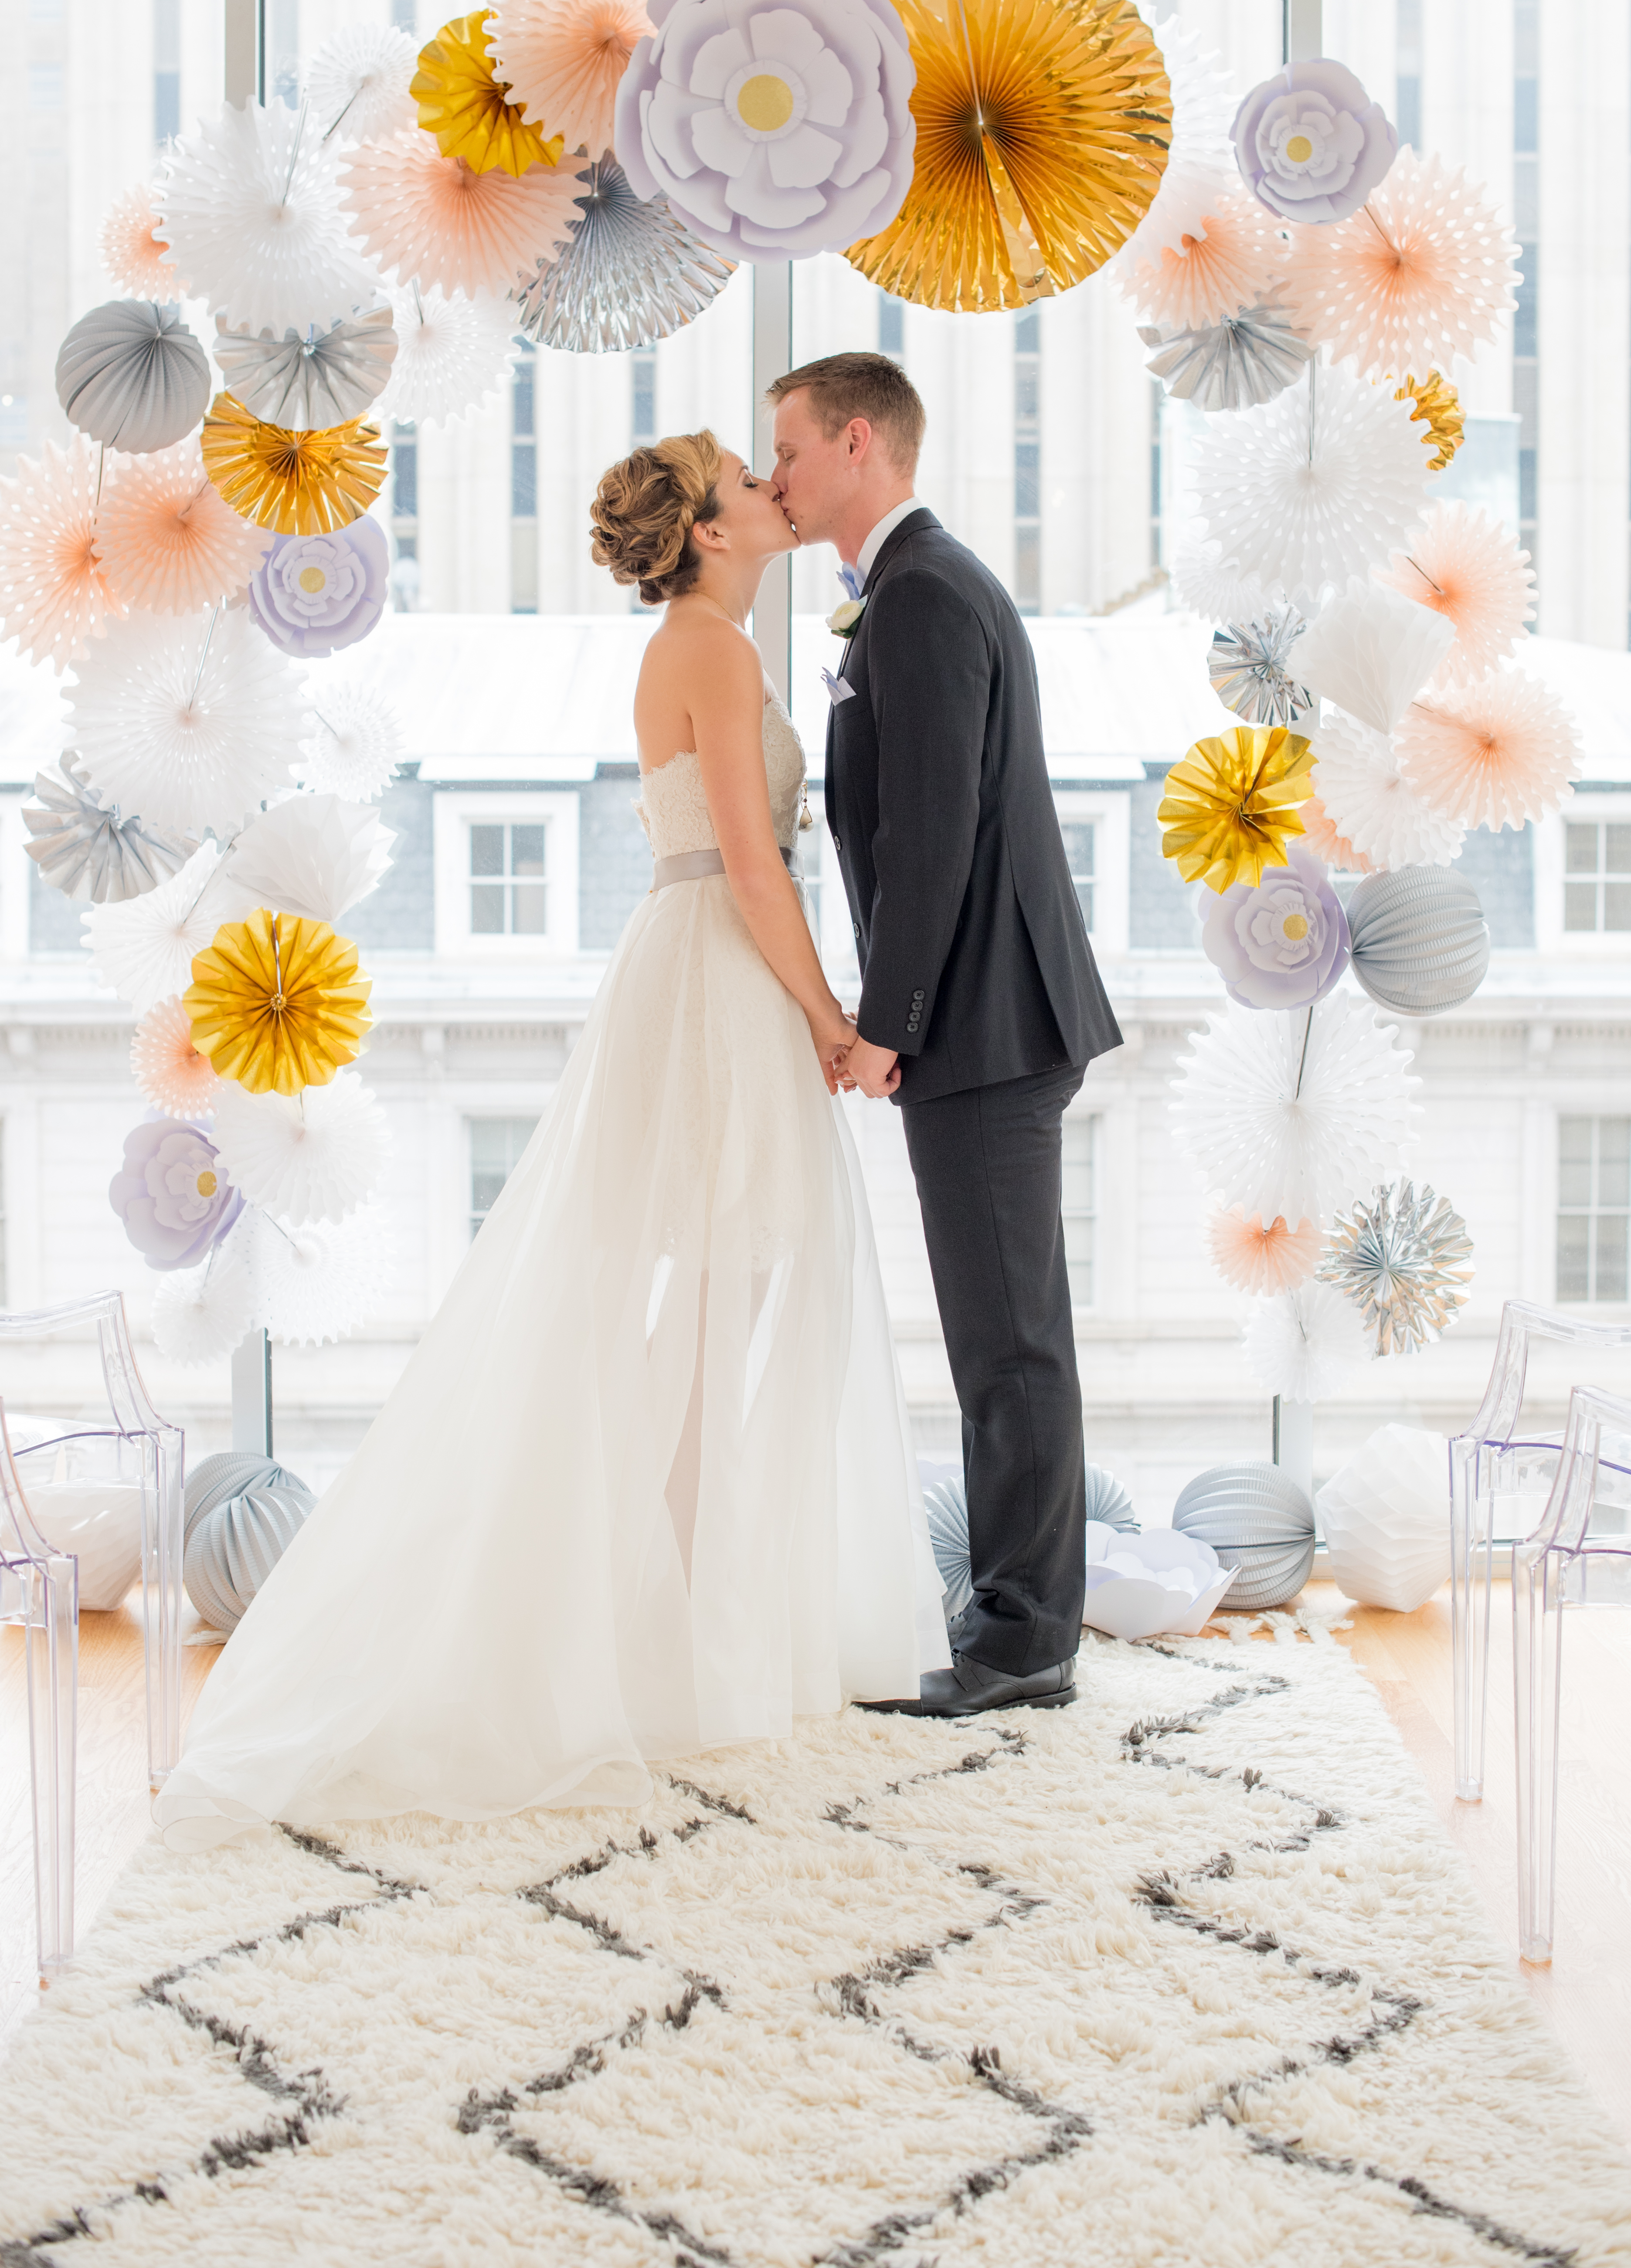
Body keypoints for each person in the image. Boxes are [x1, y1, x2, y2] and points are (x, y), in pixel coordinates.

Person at [153, 431, 947, 1854]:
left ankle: (673, 1615)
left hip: (713, 964)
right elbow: (755, 865)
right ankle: (649, 1623)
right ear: (707, 532)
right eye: (743, 477)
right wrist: (835, 1012)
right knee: (721, 1299)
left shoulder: (713, 643)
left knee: (723, 1301)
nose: (772, 484)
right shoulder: (711, 652)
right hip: (720, 969)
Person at [770, 353, 1124, 1721]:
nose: (780, 479)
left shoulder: (919, 596)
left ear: (859, 444)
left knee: (1009, 1341)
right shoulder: (919, 590)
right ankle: (1020, 1613)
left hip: (980, 1022)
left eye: (790, 451)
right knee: (1009, 1331)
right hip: (986, 1012)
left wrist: (881, 1028)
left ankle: (1026, 1638)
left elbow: (929, 838)